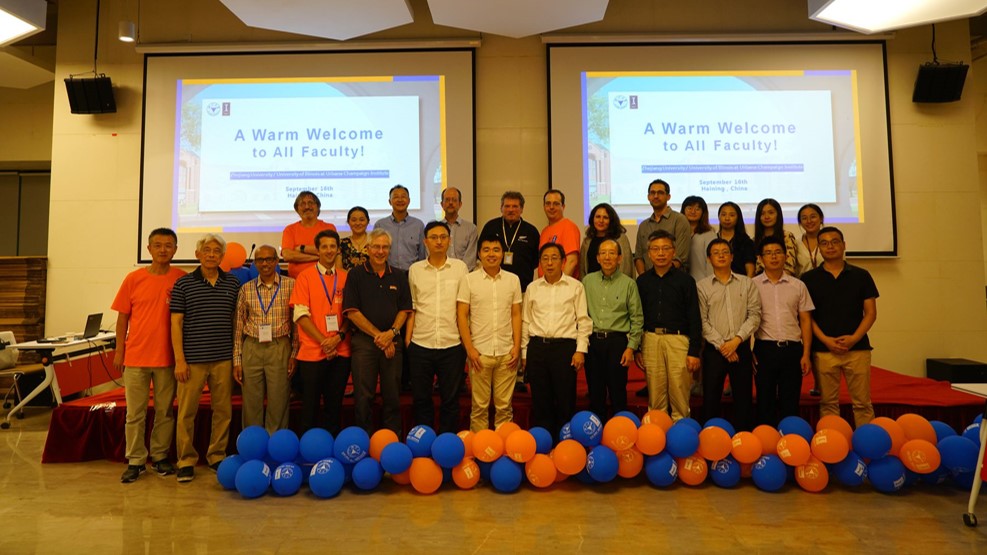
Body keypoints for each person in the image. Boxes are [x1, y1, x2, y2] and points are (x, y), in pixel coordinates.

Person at [113, 228, 186, 483]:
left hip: (168, 359)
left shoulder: (181, 279)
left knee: (165, 411)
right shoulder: (133, 279)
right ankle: (135, 460)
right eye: (158, 245)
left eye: (168, 245)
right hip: (135, 358)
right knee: (135, 413)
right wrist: (119, 350)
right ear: (149, 249)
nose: (163, 249)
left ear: (176, 250)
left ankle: (160, 457)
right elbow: (122, 318)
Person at [170, 234, 240, 483]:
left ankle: (216, 455)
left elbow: (235, 322)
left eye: (216, 251)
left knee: (223, 411)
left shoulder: (232, 284)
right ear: (198, 254)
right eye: (207, 250)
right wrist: (179, 360)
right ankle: (186, 460)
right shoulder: (183, 284)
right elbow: (176, 323)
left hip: (223, 359)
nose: (211, 255)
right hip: (192, 360)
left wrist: (236, 358)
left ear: (222, 256)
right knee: (187, 413)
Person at [802, 226, 879, 428]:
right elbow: (807, 317)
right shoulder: (808, 279)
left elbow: (871, 313)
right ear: (819, 248)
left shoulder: (861, 275)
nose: (830, 246)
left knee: (862, 403)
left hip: (858, 348)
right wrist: (825, 340)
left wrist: (854, 338)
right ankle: (831, 442)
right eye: (825, 243)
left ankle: (867, 445)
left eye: (835, 241)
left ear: (844, 245)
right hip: (824, 350)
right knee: (828, 403)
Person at [342, 229, 412, 434]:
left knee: (392, 395)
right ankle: (365, 442)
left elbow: (405, 310)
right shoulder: (355, 274)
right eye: (376, 246)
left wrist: (391, 334)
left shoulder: (399, 275)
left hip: (393, 341)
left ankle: (392, 442)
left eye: (385, 247)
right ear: (368, 249)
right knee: (364, 397)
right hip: (364, 343)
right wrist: (380, 337)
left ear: (389, 249)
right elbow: (352, 312)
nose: (381, 251)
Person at [521, 243, 592, 436]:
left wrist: (580, 350)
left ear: (563, 261)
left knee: (565, 400)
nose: (549, 263)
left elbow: (583, 321)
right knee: (540, 400)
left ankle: (565, 444)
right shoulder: (532, 288)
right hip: (537, 348)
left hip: (565, 349)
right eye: (545, 258)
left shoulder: (575, 287)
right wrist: (524, 353)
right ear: (540, 262)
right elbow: (525, 322)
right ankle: (544, 444)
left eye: (554, 258)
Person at [407, 221, 469, 433]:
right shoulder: (415, 270)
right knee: (421, 399)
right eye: (433, 237)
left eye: (443, 237)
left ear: (449, 241)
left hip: (451, 344)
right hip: (420, 343)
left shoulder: (460, 268)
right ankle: (424, 444)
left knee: (450, 401)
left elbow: (464, 307)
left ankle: (446, 444)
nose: (439, 241)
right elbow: (412, 307)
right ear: (425, 242)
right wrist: (408, 340)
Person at [457, 234, 523, 432]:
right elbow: (461, 316)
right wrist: (470, 349)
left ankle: (502, 451)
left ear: (503, 254)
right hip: (480, 354)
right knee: (479, 407)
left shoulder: (513, 280)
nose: (491, 254)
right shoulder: (469, 280)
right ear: (479, 254)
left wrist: (516, 347)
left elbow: (516, 315)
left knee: (504, 407)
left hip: (506, 353)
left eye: (496, 250)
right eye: (486, 250)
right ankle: (480, 452)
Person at [635, 230, 702, 421]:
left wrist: (694, 351)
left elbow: (694, 317)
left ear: (673, 252)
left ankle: (681, 435)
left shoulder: (686, 281)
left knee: (679, 392)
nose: (661, 253)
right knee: (655, 394)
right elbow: (638, 317)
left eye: (665, 249)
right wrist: (638, 348)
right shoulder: (642, 281)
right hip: (650, 339)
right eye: (655, 249)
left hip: (678, 340)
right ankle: (657, 435)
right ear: (649, 254)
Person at [290, 230, 352, 435]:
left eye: (332, 246)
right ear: (318, 250)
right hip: (312, 353)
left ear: (338, 250)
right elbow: (300, 315)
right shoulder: (305, 277)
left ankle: (331, 454)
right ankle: (309, 452)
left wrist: (338, 338)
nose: (328, 250)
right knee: (310, 407)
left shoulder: (346, 278)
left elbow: (351, 314)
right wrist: (325, 342)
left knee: (334, 407)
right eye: (324, 246)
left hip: (341, 352)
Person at [696, 238, 761, 431]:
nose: (721, 255)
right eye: (716, 253)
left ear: (732, 257)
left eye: (725, 252)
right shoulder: (702, 286)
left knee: (743, 400)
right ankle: (711, 438)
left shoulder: (747, 283)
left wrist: (736, 340)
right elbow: (702, 321)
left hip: (740, 348)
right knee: (711, 400)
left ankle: (744, 441)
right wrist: (723, 346)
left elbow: (755, 315)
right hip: (714, 350)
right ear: (709, 259)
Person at [233, 244, 298, 434]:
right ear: (255, 263)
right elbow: (238, 327)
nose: (265, 263)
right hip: (252, 347)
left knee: (279, 401)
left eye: (270, 259)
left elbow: (297, 325)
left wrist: (294, 353)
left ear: (277, 261)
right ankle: (253, 446)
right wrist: (237, 360)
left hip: (280, 347)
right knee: (251, 401)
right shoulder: (246, 289)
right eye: (261, 260)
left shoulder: (290, 285)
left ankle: (275, 447)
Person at [753, 236, 814, 426]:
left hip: (792, 350)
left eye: (778, 252)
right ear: (761, 259)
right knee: (765, 402)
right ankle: (768, 446)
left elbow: (805, 320)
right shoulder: (751, 285)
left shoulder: (798, 285)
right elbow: (746, 320)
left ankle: (791, 443)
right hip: (764, 349)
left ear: (785, 256)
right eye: (768, 253)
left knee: (791, 402)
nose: (773, 257)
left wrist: (806, 354)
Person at [582, 239, 643, 419]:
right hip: (592, 341)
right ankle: (597, 435)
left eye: (612, 253)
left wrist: (631, 347)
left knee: (618, 392)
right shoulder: (587, 281)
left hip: (617, 343)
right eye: (603, 253)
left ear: (619, 258)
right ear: (598, 258)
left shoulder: (629, 284)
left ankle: (620, 435)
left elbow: (637, 318)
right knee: (595, 392)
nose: (607, 257)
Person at [479, 191, 540, 292]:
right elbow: (481, 254)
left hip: (523, 288)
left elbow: (536, 260)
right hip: (492, 287)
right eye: (507, 206)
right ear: (501, 208)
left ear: (522, 209)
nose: (511, 210)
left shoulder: (531, 231)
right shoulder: (490, 227)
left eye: (515, 206)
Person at [796, 203, 825, 395]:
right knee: (805, 336)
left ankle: (821, 384)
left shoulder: (829, 241)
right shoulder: (796, 243)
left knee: (821, 338)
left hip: (825, 293)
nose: (809, 221)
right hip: (802, 294)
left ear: (821, 219)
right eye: (804, 218)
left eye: (813, 216)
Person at [634, 179, 691, 275]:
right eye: (652, 193)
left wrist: (660, 278)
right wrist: (645, 279)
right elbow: (638, 257)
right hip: (648, 283)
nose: (656, 196)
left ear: (668, 197)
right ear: (648, 197)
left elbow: (680, 257)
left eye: (660, 193)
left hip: (673, 280)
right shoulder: (643, 225)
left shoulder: (679, 220)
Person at [281, 191, 337, 278]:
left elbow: (330, 251)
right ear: (297, 209)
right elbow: (288, 256)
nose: (307, 207)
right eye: (302, 204)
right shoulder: (290, 229)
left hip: (324, 279)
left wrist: (301, 248)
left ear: (318, 207)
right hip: (296, 280)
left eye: (311, 203)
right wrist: (319, 257)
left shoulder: (329, 227)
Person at [374, 184, 425, 271]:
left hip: (412, 273)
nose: (400, 200)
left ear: (409, 201)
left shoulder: (418, 225)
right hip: (387, 274)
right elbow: (375, 252)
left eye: (403, 197)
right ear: (390, 201)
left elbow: (422, 254)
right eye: (396, 197)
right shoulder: (380, 225)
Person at [579, 203, 634, 279]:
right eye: (598, 217)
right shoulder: (587, 241)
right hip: (592, 286)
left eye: (605, 217)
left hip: (616, 286)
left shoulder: (620, 239)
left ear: (611, 220)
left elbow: (626, 267)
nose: (601, 221)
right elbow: (582, 269)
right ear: (592, 219)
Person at [539, 189, 581, 277]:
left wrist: (560, 286)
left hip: (561, 287)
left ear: (563, 206)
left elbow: (572, 261)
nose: (551, 207)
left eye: (556, 204)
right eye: (548, 203)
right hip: (545, 286)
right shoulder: (544, 231)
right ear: (543, 206)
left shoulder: (569, 227)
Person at [753, 198, 799, 276]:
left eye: (771, 213)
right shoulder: (754, 240)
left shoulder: (787, 237)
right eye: (762, 213)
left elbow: (789, 267)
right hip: (759, 284)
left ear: (778, 214)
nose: (766, 217)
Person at [441, 187, 478, 271]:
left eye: (454, 200)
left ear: (460, 204)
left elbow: (470, 259)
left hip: (464, 276)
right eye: (447, 200)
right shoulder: (435, 229)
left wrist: (458, 273)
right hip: (441, 275)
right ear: (442, 204)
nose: (450, 203)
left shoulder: (471, 228)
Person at [682, 195, 717, 282]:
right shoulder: (678, 233)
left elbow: (711, 264)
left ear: (703, 212)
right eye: (689, 208)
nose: (693, 211)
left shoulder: (709, 234)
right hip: (680, 282)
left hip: (701, 282)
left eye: (697, 209)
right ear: (683, 210)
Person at [716, 201, 756, 277]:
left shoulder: (746, 242)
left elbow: (750, 271)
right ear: (719, 217)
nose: (727, 218)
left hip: (740, 285)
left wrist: (746, 287)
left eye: (732, 215)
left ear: (738, 217)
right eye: (723, 214)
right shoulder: (713, 239)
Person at [337, 206, 371, 271]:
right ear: (348, 222)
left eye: (361, 220)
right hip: (347, 280)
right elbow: (339, 270)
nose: (358, 223)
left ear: (368, 221)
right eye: (354, 220)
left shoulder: (374, 242)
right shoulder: (341, 243)